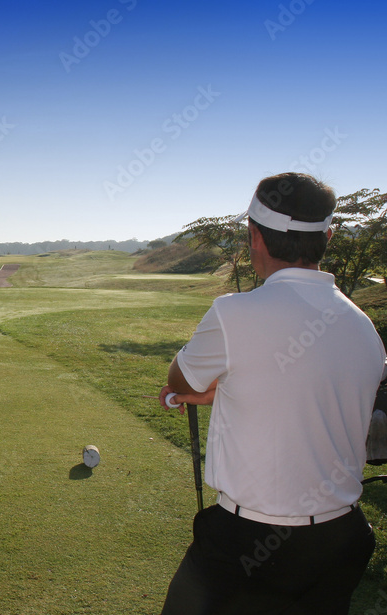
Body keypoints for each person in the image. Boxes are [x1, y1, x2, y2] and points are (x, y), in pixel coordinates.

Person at [158, 172, 385, 614]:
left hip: (250, 544)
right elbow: (309, 386)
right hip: (342, 538)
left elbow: (182, 381)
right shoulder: (363, 326)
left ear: (254, 236)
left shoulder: (233, 312)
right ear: (329, 236)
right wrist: (233, 390)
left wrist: (213, 388)